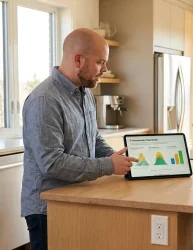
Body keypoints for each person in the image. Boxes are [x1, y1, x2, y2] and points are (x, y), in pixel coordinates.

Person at [21, 28, 138, 250]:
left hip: (77, 198)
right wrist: (107, 165)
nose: (105, 69)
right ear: (78, 59)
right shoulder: (45, 100)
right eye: (100, 62)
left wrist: (116, 157)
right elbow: (51, 163)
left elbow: (92, 138)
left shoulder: (85, 94)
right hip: (48, 209)